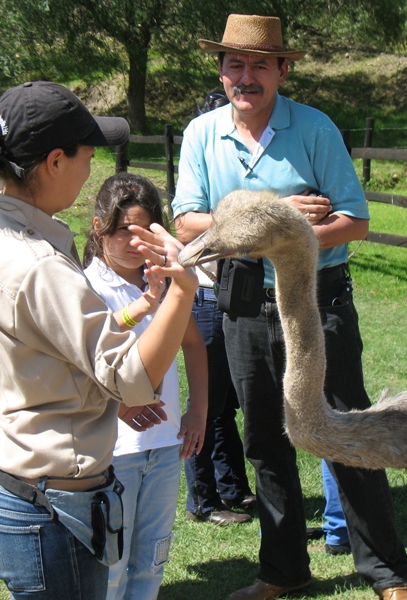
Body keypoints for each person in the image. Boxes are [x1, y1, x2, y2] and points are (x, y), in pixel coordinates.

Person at [172, 14, 407, 600]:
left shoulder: (315, 128)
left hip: (316, 306)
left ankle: (387, 574)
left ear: (282, 69)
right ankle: (282, 571)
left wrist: (278, 231)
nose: (246, 76)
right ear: (221, 70)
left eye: (260, 64)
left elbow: (355, 222)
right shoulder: (201, 134)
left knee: (347, 430)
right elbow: (187, 221)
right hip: (244, 308)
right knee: (264, 439)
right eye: (236, 64)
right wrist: (279, 219)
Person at [0, 81, 199, 600]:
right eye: (88, 155)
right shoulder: (39, 265)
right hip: (51, 509)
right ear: (55, 161)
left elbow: (55, 346)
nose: (92, 171)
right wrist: (181, 289)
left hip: (16, 483)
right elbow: (136, 379)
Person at [82, 172, 208, 599]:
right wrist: (143, 306)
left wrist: (198, 410)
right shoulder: (86, 286)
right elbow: (87, 354)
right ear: (99, 227)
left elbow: (194, 344)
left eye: (144, 232)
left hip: (165, 445)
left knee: (152, 559)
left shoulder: (165, 280)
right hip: (112, 451)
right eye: (123, 232)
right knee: (111, 566)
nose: (135, 245)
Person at [184, 88, 256, 526]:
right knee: (206, 403)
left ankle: (234, 489)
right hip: (208, 297)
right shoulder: (202, 179)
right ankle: (203, 499)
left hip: (236, 299)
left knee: (225, 403)